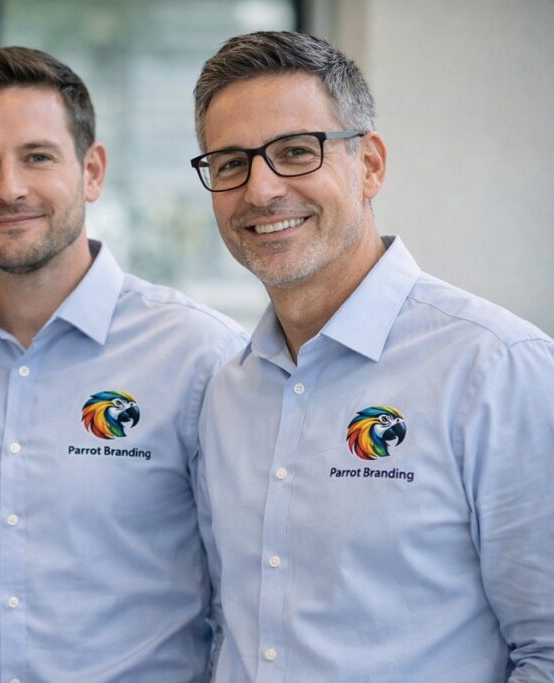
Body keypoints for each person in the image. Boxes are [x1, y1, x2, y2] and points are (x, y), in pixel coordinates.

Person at [0, 46, 247, 681]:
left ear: (92, 170)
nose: (9, 188)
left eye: (37, 157)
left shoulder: (199, 357)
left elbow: (246, 598)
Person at [190, 31, 554, 681]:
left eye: (297, 152)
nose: (261, 189)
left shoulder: (498, 370)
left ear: (371, 165)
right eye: (230, 163)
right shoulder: (228, 390)